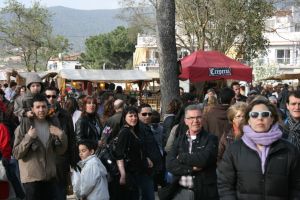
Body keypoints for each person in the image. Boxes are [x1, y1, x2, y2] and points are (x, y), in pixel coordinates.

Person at [218, 99, 300, 199]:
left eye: (265, 114)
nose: (260, 118)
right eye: (254, 114)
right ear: (248, 119)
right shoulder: (234, 150)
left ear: (272, 118)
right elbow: (225, 186)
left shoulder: (289, 150)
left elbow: (296, 187)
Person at [13, 94, 68, 200]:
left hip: (50, 178)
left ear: (48, 108)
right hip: (32, 180)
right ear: (32, 109)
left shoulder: (53, 124)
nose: (41, 110)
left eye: (43, 106)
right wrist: (28, 137)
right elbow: (16, 153)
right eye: (37, 107)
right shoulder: (23, 127)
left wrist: (61, 135)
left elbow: (61, 151)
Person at [166, 104, 219, 199]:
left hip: (204, 192)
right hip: (180, 190)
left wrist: (181, 157)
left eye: (198, 117)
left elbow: (204, 160)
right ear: (186, 121)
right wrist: (191, 169)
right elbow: (169, 164)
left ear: (202, 119)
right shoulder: (179, 140)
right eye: (191, 118)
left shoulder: (211, 139)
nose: (195, 121)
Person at [45, 86, 77, 200]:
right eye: (48, 96)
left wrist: (73, 160)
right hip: (44, 161)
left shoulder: (65, 114)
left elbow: (72, 138)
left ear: (57, 97)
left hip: (61, 160)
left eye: (53, 96)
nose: (51, 99)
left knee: (60, 193)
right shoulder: (40, 114)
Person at [114, 106, 152, 200]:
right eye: (130, 116)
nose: (134, 118)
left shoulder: (135, 130)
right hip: (130, 172)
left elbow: (139, 148)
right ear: (124, 117)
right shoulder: (125, 132)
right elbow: (119, 154)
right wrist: (122, 174)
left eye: (135, 116)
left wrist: (146, 158)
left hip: (139, 170)